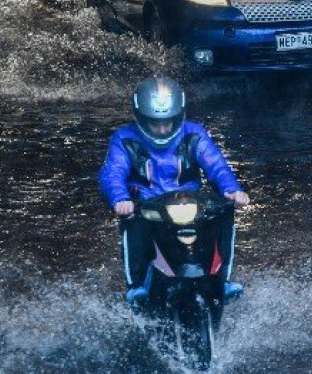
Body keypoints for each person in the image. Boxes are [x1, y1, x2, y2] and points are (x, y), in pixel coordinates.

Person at [98, 75, 250, 305]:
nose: (161, 129)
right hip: (147, 207)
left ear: (179, 116)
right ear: (140, 118)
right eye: (155, 123)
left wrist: (231, 191)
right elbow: (113, 173)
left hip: (191, 204)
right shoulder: (124, 138)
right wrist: (121, 199)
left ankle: (223, 280)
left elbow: (216, 165)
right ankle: (136, 286)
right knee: (131, 221)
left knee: (225, 213)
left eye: (167, 122)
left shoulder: (194, 134)